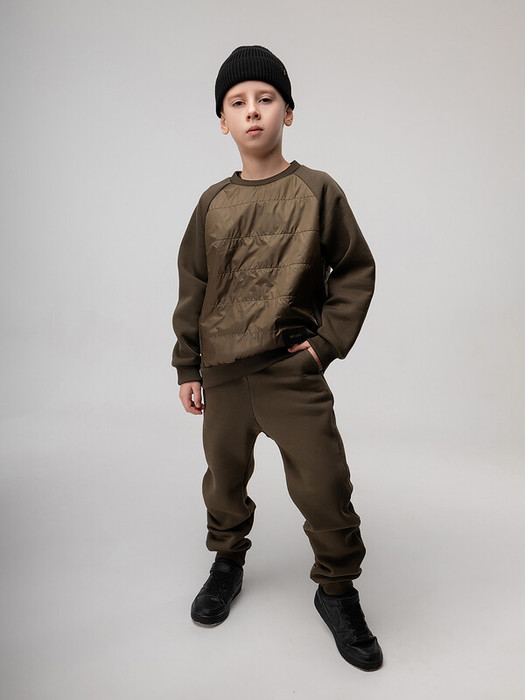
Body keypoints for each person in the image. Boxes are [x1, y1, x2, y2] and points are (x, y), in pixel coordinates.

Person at [171, 45, 383, 671]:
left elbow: (356, 271)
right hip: (223, 378)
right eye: (237, 102)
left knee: (326, 484)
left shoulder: (318, 191)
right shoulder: (212, 203)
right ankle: (227, 561)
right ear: (223, 121)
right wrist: (188, 366)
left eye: (266, 98)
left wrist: (323, 346)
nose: (252, 111)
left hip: (291, 374)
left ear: (288, 112)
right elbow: (194, 286)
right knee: (224, 478)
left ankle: (337, 590)